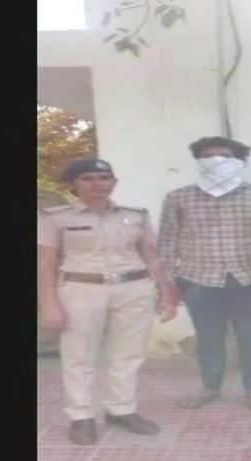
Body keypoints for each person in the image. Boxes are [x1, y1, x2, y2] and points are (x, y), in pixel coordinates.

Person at [38, 158, 177, 446]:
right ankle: (81, 416)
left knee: (129, 353)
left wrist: (166, 294)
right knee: (79, 355)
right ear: (74, 184)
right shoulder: (55, 217)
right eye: (88, 178)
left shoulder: (136, 216)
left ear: (114, 182)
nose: (97, 184)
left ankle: (121, 409)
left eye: (103, 178)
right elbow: (47, 262)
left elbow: (151, 256)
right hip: (81, 289)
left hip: (134, 288)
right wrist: (49, 302)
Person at [158, 137, 251, 412]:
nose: (216, 160)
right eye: (208, 155)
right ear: (198, 161)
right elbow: (168, 242)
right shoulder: (179, 198)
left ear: (240, 161)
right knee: (208, 338)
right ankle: (210, 387)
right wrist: (168, 285)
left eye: (224, 155)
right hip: (198, 280)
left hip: (249, 279)